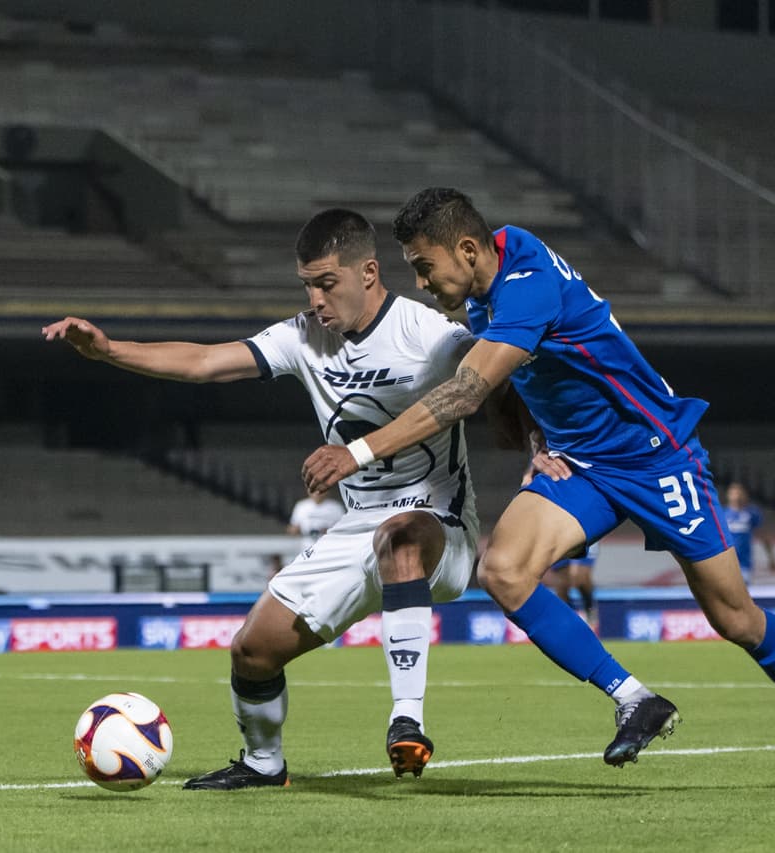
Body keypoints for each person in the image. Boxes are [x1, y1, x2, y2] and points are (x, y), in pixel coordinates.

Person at [302, 188, 775, 789]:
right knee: (502, 570)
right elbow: (529, 377)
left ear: (468, 250)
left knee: (734, 617)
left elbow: (468, 392)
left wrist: (359, 450)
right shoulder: (488, 291)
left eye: (424, 266)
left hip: (656, 458)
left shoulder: (527, 284)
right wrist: (537, 441)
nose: (422, 283)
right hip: (583, 467)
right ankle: (634, 698)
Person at [43, 208, 480, 788]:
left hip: (438, 524)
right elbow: (203, 361)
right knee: (252, 650)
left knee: (398, 536)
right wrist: (108, 351)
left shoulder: (429, 334)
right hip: (360, 528)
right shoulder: (304, 336)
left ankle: (408, 723)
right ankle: (262, 764)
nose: (317, 299)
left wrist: (539, 448)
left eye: (328, 283)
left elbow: (504, 378)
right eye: (307, 284)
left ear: (369, 272)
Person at [723, 482, 775, 586]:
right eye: (733, 493)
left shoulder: (752, 513)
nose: (737, 496)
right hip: (726, 564)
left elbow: (764, 537)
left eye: (739, 493)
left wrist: (771, 558)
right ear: (728, 495)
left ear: (745, 495)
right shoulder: (722, 513)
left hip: (744, 564)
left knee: (742, 594)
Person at [547, 540, 600, 629]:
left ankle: (589, 607)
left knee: (580, 576)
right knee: (562, 584)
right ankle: (567, 620)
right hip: (561, 538)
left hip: (584, 537)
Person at [286, 487, 346, 551]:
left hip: (329, 547)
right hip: (306, 547)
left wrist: (329, 530)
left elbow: (344, 528)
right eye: (314, 490)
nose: (317, 493)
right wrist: (295, 530)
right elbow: (292, 528)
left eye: (320, 490)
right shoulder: (301, 506)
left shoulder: (336, 507)